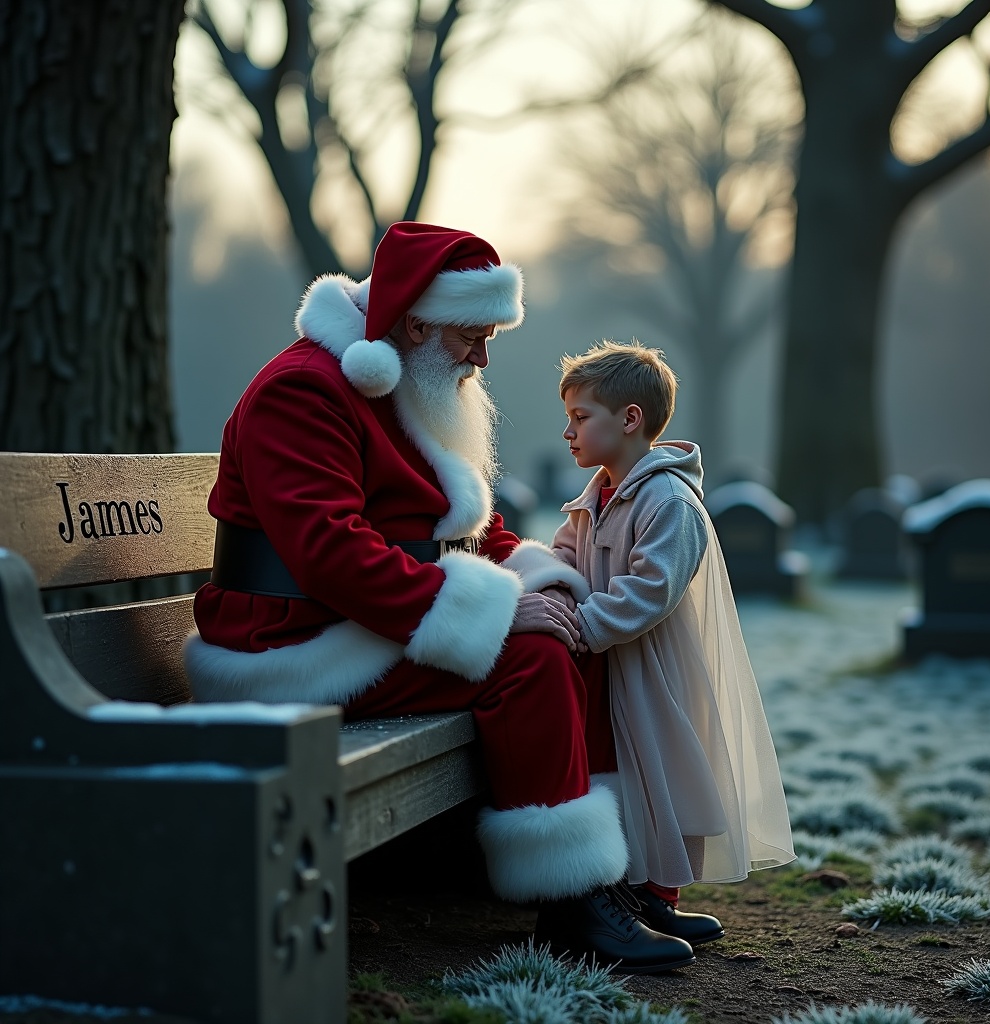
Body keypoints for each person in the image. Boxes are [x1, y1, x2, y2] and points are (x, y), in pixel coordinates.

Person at [184, 222, 713, 973]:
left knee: (563, 629)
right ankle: (572, 902)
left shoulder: (402, 379)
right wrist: (503, 611)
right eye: (473, 335)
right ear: (416, 320)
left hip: (365, 620)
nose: (483, 357)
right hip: (294, 645)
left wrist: (542, 582)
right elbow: (328, 550)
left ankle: (611, 879)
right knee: (527, 655)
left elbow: (469, 527)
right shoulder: (304, 390)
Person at [545, 339, 795, 947]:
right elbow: (564, 556)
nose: (568, 432)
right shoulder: (594, 497)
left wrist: (582, 625)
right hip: (607, 662)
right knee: (621, 775)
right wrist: (548, 592)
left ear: (630, 419)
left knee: (662, 773)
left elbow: (651, 590)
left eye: (581, 418)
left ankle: (658, 896)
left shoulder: (668, 499)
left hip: (651, 664)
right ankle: (628, 890)